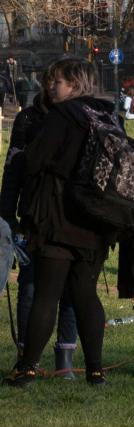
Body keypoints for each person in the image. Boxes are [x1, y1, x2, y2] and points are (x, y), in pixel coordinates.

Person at [4, 57, 113, 386]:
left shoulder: (61, 116)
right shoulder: (106, 115)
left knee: (46, 293)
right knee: (85, 293)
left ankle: (27, 368)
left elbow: (33, 161)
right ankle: (95, 370)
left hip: (57, 217)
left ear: (76, 84)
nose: (52, 86)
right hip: (96, 218)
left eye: (59, 82)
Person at [0, 67, 79, 380]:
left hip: (71, 215)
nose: (51, 87)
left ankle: (65, 358)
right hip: (33, 213)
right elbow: (13, 169)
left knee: (69, 289)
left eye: (56, 82)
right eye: (49, 82)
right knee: (30, 286)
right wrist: (7, 214)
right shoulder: (28, 119)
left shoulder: (79, 117)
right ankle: (26, 355)